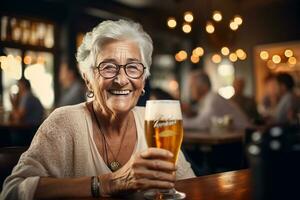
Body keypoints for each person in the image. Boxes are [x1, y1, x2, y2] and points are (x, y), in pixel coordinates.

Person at [1, 19, 195, 200]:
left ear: (143, 79)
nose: (121, 80)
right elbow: (12, 190)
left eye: (133, 67)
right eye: (108, 67)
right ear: (88, 79)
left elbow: (190, 185)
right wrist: (109, 183)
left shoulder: (153, 120)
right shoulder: (65, 122)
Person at [183, 70, 249, 130]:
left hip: (243, 137)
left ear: (203, 87)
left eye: (192, 86)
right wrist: (190, 112)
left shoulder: (213, 99)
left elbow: (204, 123)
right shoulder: (207, 99)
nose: (190, 89)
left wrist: (178, 123)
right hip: (236, 135)